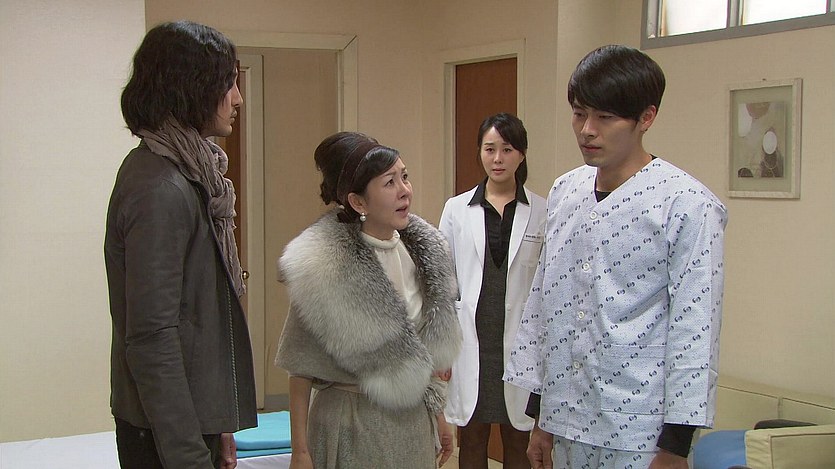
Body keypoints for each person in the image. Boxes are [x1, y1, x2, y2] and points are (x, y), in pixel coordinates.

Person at [503, 45, 728, 469]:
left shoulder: (686, 205)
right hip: (564, 419)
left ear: (646, 117)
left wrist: (676, 447)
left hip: (639, 431)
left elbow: (695, 328)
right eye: (579, 114)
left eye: (605, 117)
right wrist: (541, 418)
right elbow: (546, 306)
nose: (587, 130)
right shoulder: (566, 191)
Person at [105, 21, 257, 469]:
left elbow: (198, 322)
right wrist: (189, 455)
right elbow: (152, 338)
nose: (237, 98)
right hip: (165, 432)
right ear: (192, 86)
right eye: (228, 83)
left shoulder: (188, 175)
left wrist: (220, 423)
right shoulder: (160, 186)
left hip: (184, 420)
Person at [275, 132, 463, 469]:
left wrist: (438, 416)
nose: (405, 190)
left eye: (405, 177)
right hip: (350, 424)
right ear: (358, 202)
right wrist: (300, 451)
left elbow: (423, 354)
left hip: (411, 427)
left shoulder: (423, 256)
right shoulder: (324, 267)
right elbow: (299, 369)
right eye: (389, 182)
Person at [440, 113, 546, 469]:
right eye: (489, 149)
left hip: (521, 343)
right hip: (473, 341)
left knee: (518, 438)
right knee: (471, 438)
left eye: (507, 149)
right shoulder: (457, 209)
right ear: (480, 153)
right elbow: (443, 281)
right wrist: (441, 349)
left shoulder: (542, 210)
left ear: (522, 154)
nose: (497, 159)